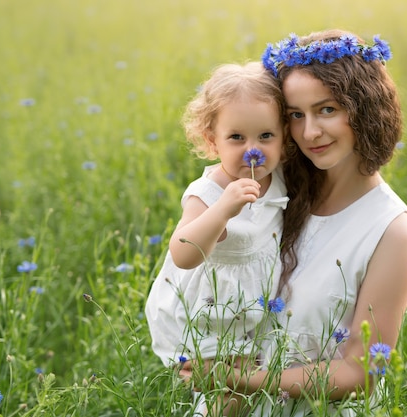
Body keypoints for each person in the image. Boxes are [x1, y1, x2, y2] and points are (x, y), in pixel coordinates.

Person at [182, 29, 407, 416]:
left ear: (365, 108)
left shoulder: (392, 230)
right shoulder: (272, 186)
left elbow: (362, 373)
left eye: (327, 109)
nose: (309, 132)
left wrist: (240, 380)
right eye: (295, 115)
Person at [145, 61, 288, 416]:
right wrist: (222, 209)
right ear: (212, 140)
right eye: (236, 137)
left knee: (254, 393)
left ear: (284, 138)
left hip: (255, 309)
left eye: (265, 137)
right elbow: (182, 254)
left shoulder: (277, 176)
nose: (251, 150)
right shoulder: (208, 193)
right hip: (210, 311)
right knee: (224, 399)